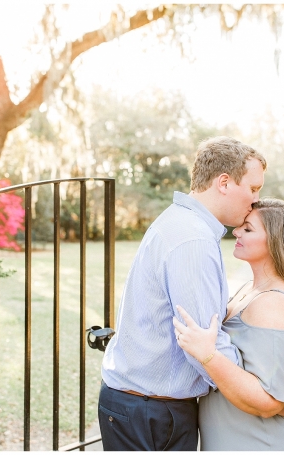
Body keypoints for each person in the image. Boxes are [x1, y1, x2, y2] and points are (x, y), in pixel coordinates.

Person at [98, 137, 267, 450]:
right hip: (153, 414)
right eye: (254, 189)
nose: (256, 200)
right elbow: (203, 343)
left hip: (140, 408)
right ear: (225, 182)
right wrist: (256, 386)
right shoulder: (194, 240)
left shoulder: (181, 223)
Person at [173, 197, 284, 450]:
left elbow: (269, 401)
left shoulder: (273, 304)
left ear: (278, 241)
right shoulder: (251, 289)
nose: (236, 231)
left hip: (268, 443)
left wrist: (208, 355)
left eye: (248, 229)